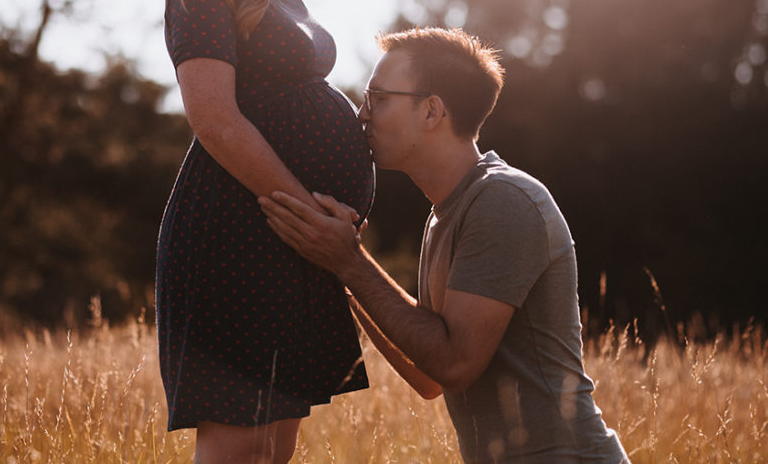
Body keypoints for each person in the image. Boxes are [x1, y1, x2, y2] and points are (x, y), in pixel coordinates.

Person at [259, 27, 629, 463]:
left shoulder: (503, 200)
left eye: (379, 99)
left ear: (432, 111)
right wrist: (335, 264)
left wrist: (348, 261)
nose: (362, 114)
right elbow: (429, 377)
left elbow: (455, 365)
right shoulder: (445, 215)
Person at [143, 0, 374, 464]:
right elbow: (214, 118)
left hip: (284, 236)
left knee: (274, 446)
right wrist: (305, 211)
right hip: (238, 231)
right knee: (239, 442)